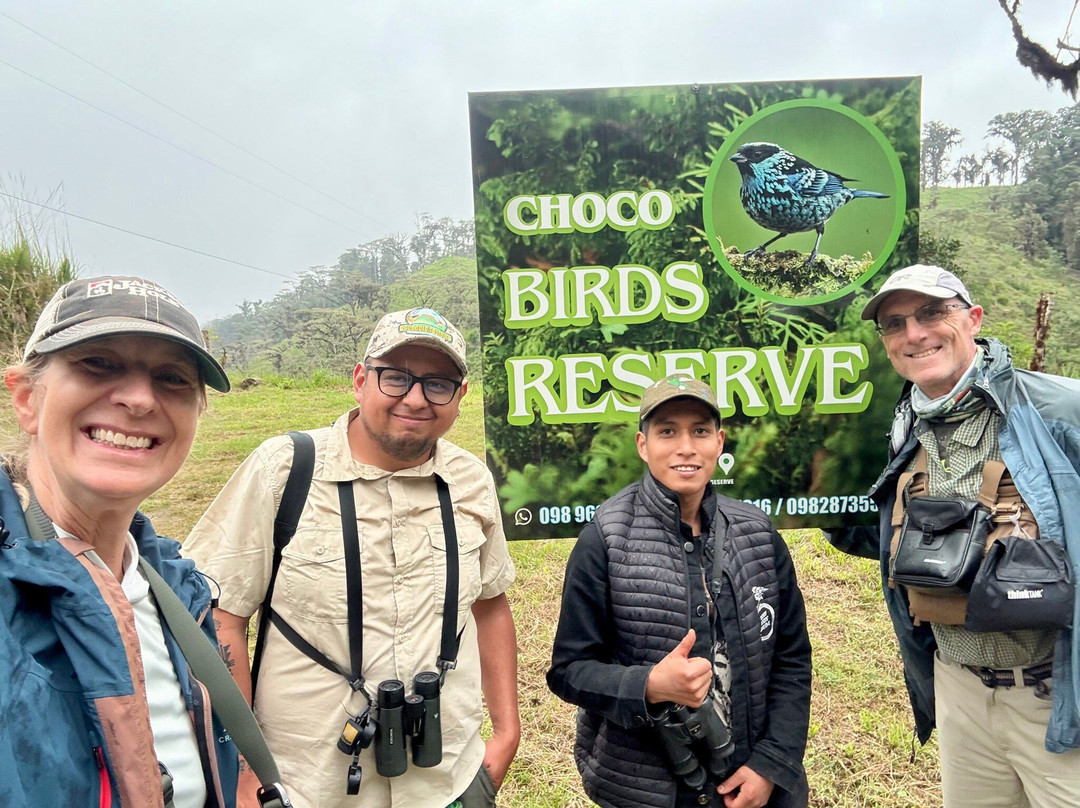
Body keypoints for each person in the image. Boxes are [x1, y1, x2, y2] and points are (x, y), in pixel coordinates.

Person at [184, 307, 519, 808]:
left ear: (460, 397)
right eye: (396, 377)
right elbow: (222, 617)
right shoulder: (286, 469)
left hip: (450, 778)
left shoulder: (470, 480)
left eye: (438, 384)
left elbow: (491, 604)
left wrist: (507, 732)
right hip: (309, 786)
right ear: (360, 379)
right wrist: (244, 770)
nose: (415, 398)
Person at [835, 264, 1080, 807]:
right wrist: (817, 507)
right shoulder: (905, 426)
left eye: (931, 313)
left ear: (972, 319)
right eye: (895, 324)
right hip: (958, 687)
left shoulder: (1057, 410)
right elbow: (894, 543)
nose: (914, 334)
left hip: (1056, 692)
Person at [0, 275, 239, 807]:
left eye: (172, 378)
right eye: (98, 364)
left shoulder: (177, 587)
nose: (137, 399)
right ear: (26, 399)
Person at [547, 375, 812, 808]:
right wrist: (647, 685)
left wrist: (772, 761)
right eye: (667, 431)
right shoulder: (605, 539)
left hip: (754, 782)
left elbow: (791, 657)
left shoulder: (758, 534)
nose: (685, 447)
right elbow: (569, 671)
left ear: (720, 442)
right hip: (647, 788)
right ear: (642, 445)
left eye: (700, 431)